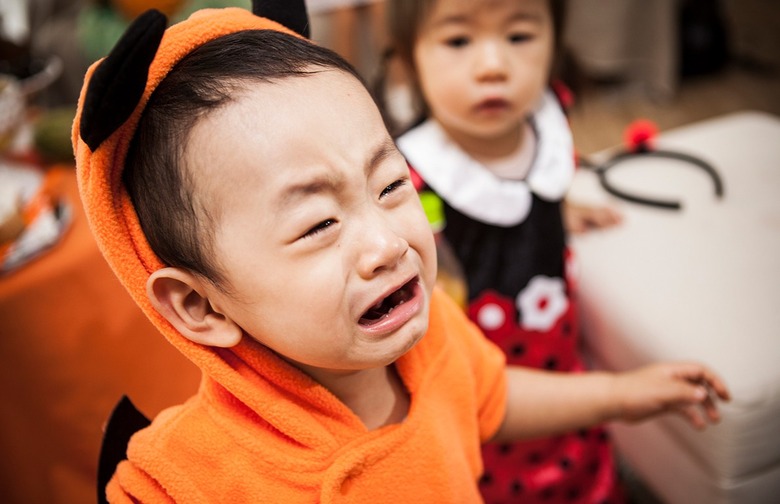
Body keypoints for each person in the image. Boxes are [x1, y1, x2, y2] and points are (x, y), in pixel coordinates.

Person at [73, 2, 729, 502]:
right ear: (199, 305)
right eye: (318, 225)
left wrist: (621, 394)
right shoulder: (191, 480)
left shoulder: (431, 335)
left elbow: (489, 395)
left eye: (390, 187)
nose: (389, 245)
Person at [378, 0, 665, 502]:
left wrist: (560, 208)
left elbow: (528, 187)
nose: (493, 66)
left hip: (561, 350)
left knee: (579, 441)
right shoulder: (412, 174)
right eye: (458, 40)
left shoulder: (549, 116)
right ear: (409, 59)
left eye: (519, 36)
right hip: (480, 386)